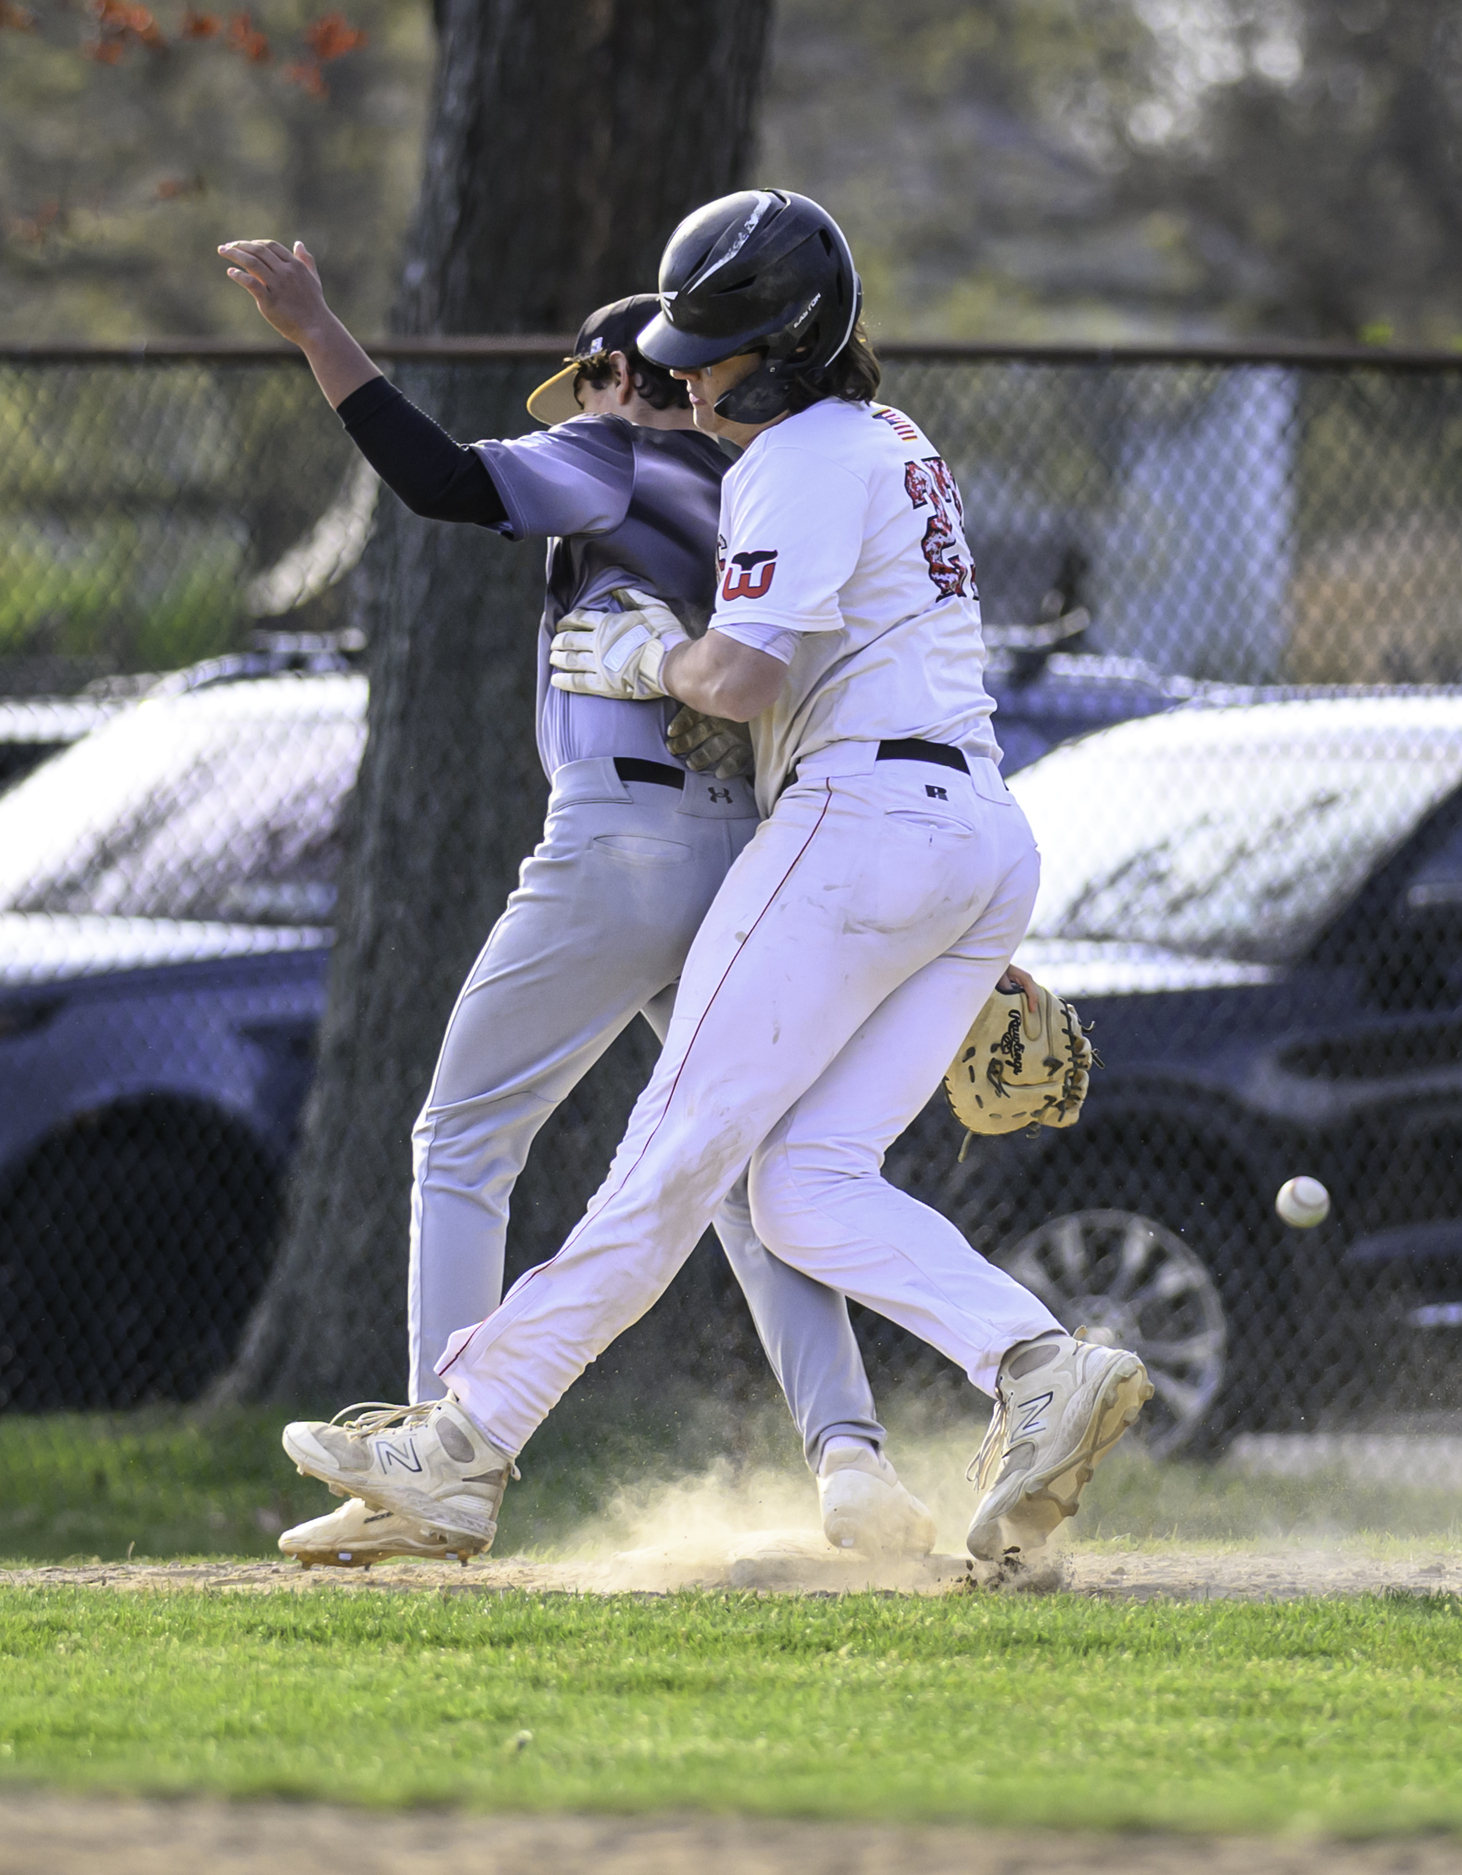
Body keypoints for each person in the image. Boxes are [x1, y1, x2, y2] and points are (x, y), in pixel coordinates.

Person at [273, 190, 1152, 1568]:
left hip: (859, 818)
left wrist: (645, 658)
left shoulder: (796, 452)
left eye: (711, 350)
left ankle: (461, 1442)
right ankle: (1036, 1364)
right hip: (969, 836)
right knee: (802, 1186)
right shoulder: (896, 440)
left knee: (671, 1155)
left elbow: (743, 677)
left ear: (789, 348)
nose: (685, 374)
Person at [217, 238, 936, 1565]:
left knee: (465, 1136)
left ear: (631, 373)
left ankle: (441, 1461)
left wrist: (318, 328)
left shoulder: (616, 456)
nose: (584, 405)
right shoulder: (773, 490)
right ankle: (850, 1463)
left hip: (622, 846)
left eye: (597, 379)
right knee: (725, 1170)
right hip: (756, 849)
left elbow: (437, 480)